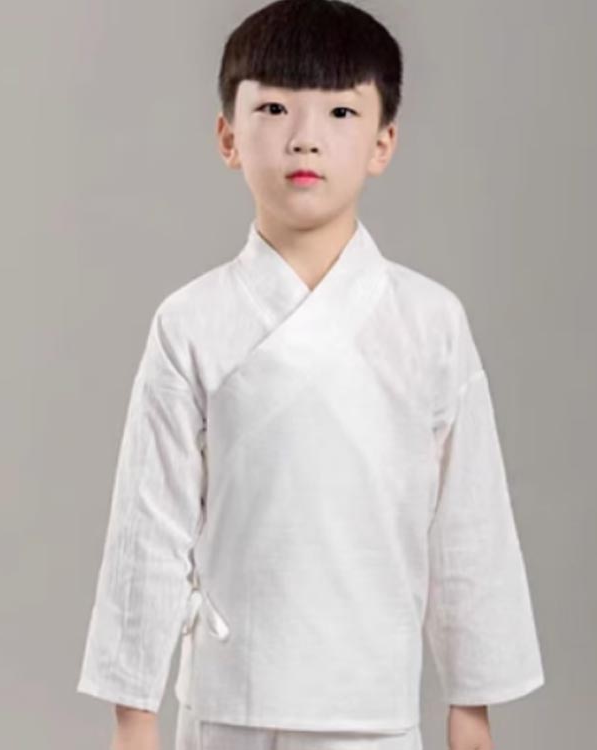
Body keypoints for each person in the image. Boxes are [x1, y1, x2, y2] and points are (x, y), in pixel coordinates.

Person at [75, 1, 546, 748]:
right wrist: (134, 717)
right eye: (273, 108)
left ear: (383, 142)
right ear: (228, 136)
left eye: (340, 112)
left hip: (372, 703)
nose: (305, 137)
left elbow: (469, 522)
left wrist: (472, 706)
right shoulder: (190, 322)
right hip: (231, 699)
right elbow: (149, 526)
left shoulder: (430, 322)